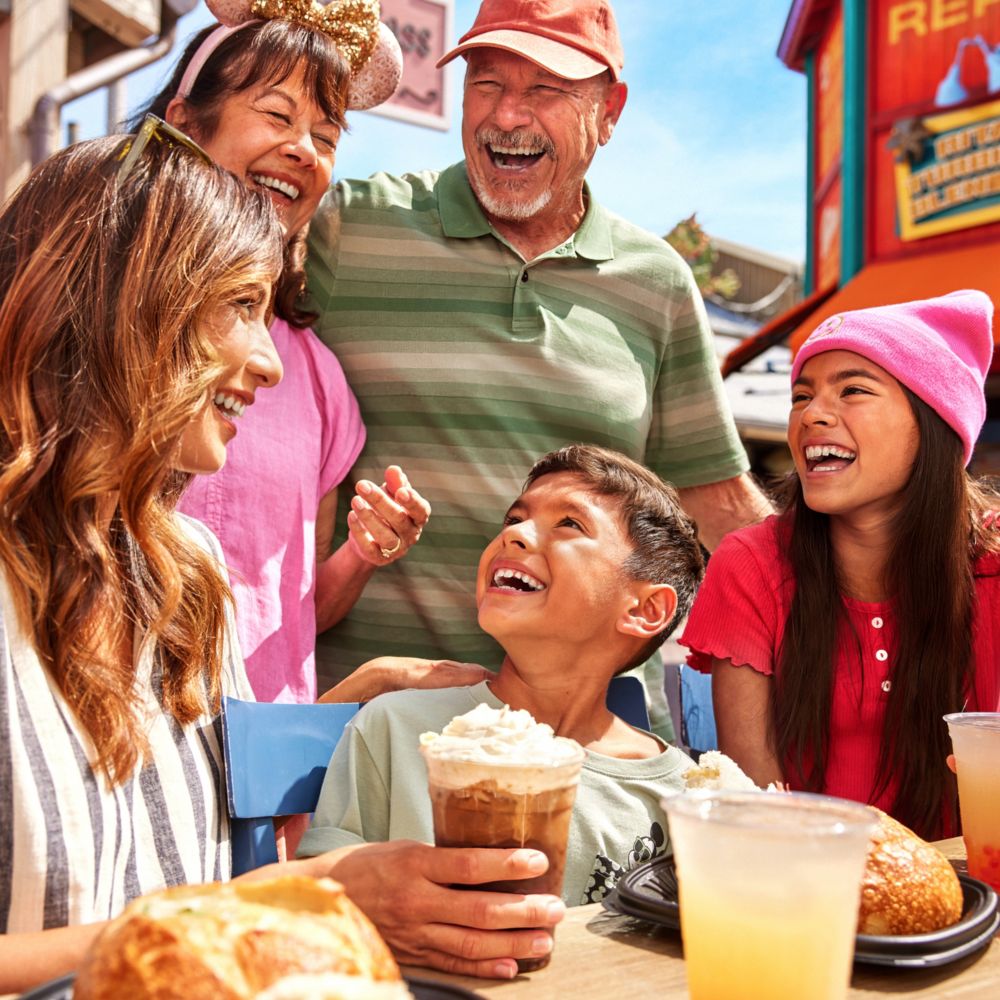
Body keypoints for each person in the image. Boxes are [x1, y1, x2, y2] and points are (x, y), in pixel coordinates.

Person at [0, 131, 556, 993]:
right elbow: (224, 904)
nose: (266, 362)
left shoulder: (190, 574)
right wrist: (307, 891)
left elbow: (211, 858)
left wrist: (359, 695)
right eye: (239, 305)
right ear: (122, 299)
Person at [305, 0, 771, 736]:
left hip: (582, 735)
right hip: (366, 723)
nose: (508, 117)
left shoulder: (656, 281)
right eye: (487, 84)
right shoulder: (351, 226)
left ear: (609, 112)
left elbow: (718, 504)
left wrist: (869, 573)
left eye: (546, 91)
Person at [135, 0, 465, 706]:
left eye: (325, 134)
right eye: (277, 117)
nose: (303, 151)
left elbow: (291, 617)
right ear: (186, 122)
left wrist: (363, 554)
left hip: (257, 774)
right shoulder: (96, 302)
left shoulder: (316, 376)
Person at [299, 444, 703, 909]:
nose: (516, 536)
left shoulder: (681, 794)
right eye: (513, 519)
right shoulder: (394, 726)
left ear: (645, 610)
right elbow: (322, 901)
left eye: (569, 524)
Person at [680, 290, 1000, 840]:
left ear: (934, 423)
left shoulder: (993, 563)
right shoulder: (751, 563)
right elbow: (757, 800)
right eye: (801, 397)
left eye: (852, 390)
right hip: (805, 882)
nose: (813, 415)